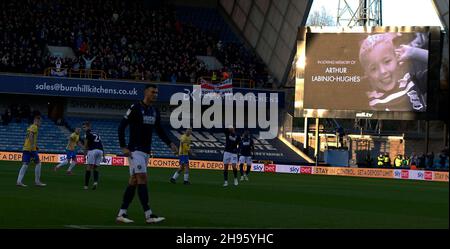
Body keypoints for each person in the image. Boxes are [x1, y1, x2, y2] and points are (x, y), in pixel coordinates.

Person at [116, 84, 178, 224]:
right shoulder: (135, 108)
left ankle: (121, 213)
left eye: (156, 92)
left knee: (134, 181)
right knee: (142, 178)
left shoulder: (154, 111)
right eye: (152, 92)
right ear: (145, 92)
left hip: (146, 151)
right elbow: (121, 127)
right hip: (135, 150)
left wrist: (170, 143)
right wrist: (123, 147)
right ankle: (149, 215)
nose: (155, 94)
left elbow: (159, 130)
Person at [359, 33, 428, 111]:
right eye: (373, 69)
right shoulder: (372, 102)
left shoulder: (411, 82)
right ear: (367, 74)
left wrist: (413, 52)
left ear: (397, 58)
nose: (383, 71)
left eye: (387, 61)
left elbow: (441, 65)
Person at [16, 116, 46, 187]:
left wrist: (35, 145)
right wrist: (33, 145)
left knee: (25, 164)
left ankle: (19, 181)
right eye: (40, 121)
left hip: (26, 148)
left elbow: (29, 136)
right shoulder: (34, 127)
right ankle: (37, 182)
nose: (40, 123)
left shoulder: (30, 126)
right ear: (37, 121)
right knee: (38, 163)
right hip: (31, 149)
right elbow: (31, 135)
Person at [82, 121, 104, 190]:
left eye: (84, 127)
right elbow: (101, 144)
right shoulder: (96, 134)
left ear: (88, 127)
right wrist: (104, 155)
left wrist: (84, 156)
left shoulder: (87, 134)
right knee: (95, 168)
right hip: (100, 151)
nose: (83, 129)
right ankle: (95, 182)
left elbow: (85, 146)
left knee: (88, 167)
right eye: (83, 127)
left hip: (92, 150)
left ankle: (86, 186)